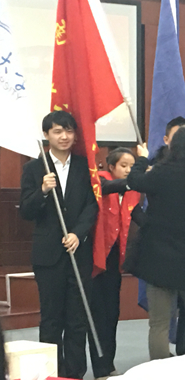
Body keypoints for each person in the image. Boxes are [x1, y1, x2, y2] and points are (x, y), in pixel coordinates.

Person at [127, 126, 185, 360]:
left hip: (158, 254)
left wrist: (141, 158)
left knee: (158, 324)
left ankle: (160, 372)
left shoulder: (162, 173)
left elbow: (134, 180)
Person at [20, 110, 98, 379]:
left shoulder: (84, 166)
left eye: (69, 131)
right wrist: (42, 190)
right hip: (48, 256)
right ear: (46, 135)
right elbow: (26, 211)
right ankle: (52, 374)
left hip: (78, 252)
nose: (64, 136)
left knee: (77, 320)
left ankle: (75, 374)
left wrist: (78, 233)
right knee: (51, 320)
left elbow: (92, 205)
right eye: (57, 131)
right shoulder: (34, 168)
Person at [89, 148, 139, 380]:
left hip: (115, 261)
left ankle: (108, 364)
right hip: (95, 259)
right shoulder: (100, 181)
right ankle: (99, 367)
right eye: (124, 166)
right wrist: (137, 176)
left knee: (112, 313)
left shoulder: (130, 192)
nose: (128, 170)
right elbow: (106, 187)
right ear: (111, 167)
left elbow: (138, 217)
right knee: (97, 314)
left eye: (132, 167)